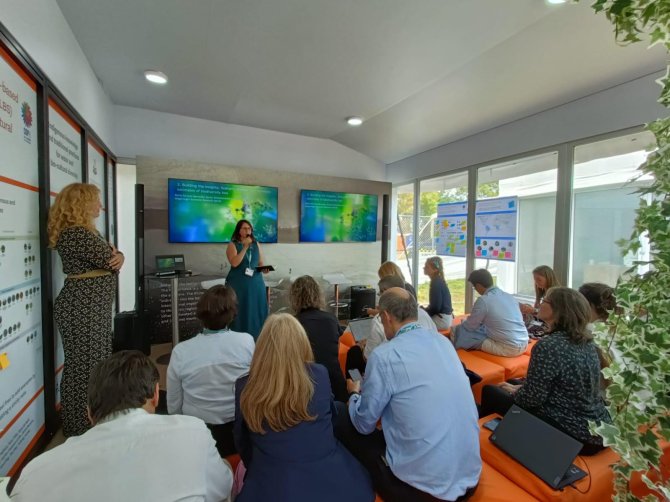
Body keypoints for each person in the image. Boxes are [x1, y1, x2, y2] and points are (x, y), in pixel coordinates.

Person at [11, 351, 233, 502]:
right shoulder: (192, 432)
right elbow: (222, 487)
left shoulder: (35, 474)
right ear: (156, 394)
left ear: (89, 412)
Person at [338, 288, 481, 502]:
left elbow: (364, 424)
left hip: (422, 491)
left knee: (342, 415)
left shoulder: (385, 355)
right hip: (471, 478)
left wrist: (354, 395)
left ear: (386, 317)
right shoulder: (443, 344)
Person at [233, 314, 374, 502]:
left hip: (271, 483)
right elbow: (330, 423)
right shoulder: (319, 375)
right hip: (333, 481)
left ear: (262, 348)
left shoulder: (245, 385)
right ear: (302, 344)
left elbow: (242, 441)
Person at [479, 287, 612, 455]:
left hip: (575, 434)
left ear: (558, 310)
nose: (540, 304)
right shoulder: (587, 342)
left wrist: (517, 392)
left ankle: (489, 446)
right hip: (598, 429)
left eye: (545, 301)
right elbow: (563, 387)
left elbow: (531, 400)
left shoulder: (548, 346)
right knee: (513, 383)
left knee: (491, 391)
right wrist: (519, 388)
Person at [47, 182, 124, 437]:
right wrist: (117, 257)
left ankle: (89, 420)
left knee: (92, 366)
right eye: (96, 201)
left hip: (91, 309)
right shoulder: (76, 234)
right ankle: (78, 426)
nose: (100, 206)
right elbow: (109, 259)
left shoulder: (86, 233)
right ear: (81, 204)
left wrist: (119, 255)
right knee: (83, 369)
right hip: (83, 309)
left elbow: (114, 257)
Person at [167, 285, 255, 457]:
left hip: (196, 433)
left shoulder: (182, 351)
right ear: (232, 313)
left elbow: (173, 406)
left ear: (201, 313)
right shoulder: (246, 342)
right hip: (238, 432)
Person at [346, 274, 437, 374]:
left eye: (380, 293)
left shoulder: (379, 323)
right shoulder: (424, 316)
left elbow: (368, 358)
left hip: (390, 371)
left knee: (354, 352)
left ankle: (355, 385)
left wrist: (363, 346)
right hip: (426, 366)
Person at [290, 275, 348, 402]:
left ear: (294, 297)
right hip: (335, 386)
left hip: (305, 389)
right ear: (318, 295)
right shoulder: (331, 319)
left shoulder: (292, 324)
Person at [452, 269, 528, 357]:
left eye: (474, 287)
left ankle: (455, 357)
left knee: (457, 330)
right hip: (524, 343)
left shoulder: (484, 300)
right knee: (482, 328)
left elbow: (469, 326)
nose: (476, 290)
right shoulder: (509, 296)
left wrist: (464, 322)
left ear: (478, 285)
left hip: (508, 348)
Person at [226, 219, 268, 339]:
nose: (247, 231)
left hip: (256, 284)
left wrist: (264, 269)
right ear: (238, 230)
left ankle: (258, 338)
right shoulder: (232, 244)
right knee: (240, 311)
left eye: (249, 228)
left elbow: (260, 262)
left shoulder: (256, 244)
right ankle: (237, 338)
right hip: (239, 285)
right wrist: (245, 247)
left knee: (256, 310)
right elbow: (234, 263)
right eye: (244, 228)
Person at [422, 256, 454, 330]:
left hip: (442, 320)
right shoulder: (438, 280)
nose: (424, 268)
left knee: (416, 325)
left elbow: (436, 308)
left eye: (427, 267)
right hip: (446, 318)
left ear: (435, 269)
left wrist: (423, 311)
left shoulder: (436, 283)